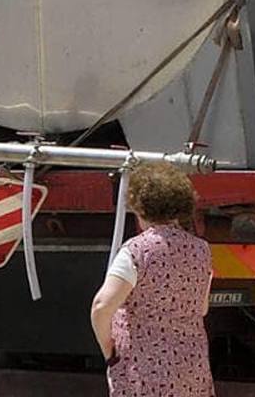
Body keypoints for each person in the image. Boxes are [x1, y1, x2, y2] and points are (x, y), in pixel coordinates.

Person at [90, 161, 214, 397]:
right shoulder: (202, 250)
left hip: (144, 374)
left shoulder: (136, 251)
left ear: (139, 207)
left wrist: (109, 350)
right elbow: (201, 308)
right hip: (192, 370)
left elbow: (102, 306)